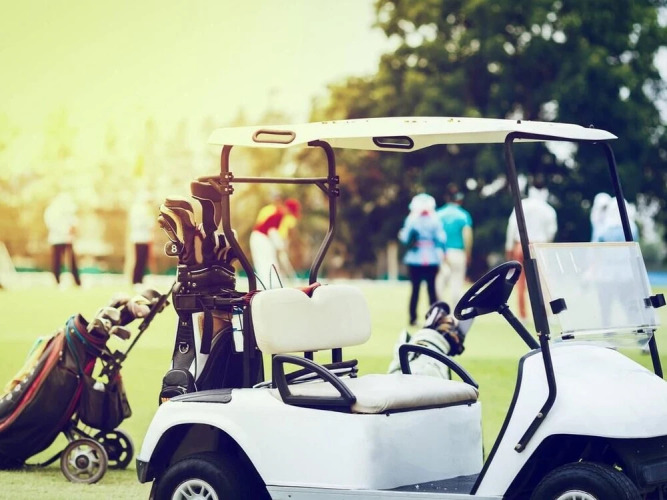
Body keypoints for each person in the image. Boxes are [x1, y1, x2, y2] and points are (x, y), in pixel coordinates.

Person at [505, 181, 557, 321]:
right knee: (542, 282)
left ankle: (523, 315)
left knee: (520, 281)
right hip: (539, 246)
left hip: (521, 245)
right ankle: (546, 314)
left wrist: (509, 248)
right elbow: (551, 231)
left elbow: (512, 227)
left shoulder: (522, 205)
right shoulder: (548, 209)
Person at [398, 193, 447, 326]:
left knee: (415, 290)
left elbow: (405, 238)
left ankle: (413, 318)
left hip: (415, 258)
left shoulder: (412, 220)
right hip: (432, 258)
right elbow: (441, 239)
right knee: (432, 290)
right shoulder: (435, 220)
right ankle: (434, 318)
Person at [249, 194, 301, 288]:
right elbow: (272, 231)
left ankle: (273, 284)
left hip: (263, 238)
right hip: (260, 238)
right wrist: (280, 246)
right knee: (266, 262)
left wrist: (280, 245)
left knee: (269, 261)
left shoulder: (280, 213)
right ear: (288, 209)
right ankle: (269, 284)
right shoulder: (279, 214)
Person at [435, 185, 473, 308]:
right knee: (456, 282)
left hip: (441, 252)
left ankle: (439, 308)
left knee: (440, 281)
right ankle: (455, 311)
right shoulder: (463, 215)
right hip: (458, 252)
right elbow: (467, 236)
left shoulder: (438, 214)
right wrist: (468, 253)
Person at [44, 193, 81, 287]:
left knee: (72, 261)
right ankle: (57, 281)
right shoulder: (52, 210)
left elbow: (74, 221)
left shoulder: (68, 210)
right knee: (57, 261)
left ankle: (77, 282)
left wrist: (72, 229)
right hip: (57, 240)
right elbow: (51, 223)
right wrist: (65, 230)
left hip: (68, 240)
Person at [128, 191, 155, 287]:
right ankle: (136, 280)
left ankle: (140, 280)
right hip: (140, 238)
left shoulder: (145, 209)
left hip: (145, 238)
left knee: (143, 261)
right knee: (139, 260)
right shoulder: (138, 209)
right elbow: (141, 224)